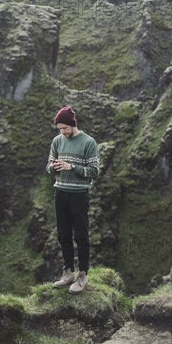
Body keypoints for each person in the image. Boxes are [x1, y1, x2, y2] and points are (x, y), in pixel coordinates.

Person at [46, 106, 100, 294]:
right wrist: (54, 167)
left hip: (79, 194)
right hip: (60, 192)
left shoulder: (88, 142)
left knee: (81, 236)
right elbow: (48, 167)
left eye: (65, 128)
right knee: (63, 234)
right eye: (60, 129)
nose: (62, 132)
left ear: (72, 125)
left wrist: (71, 167)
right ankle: (68, 272)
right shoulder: (57, 141)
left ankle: (83, 274)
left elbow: (94, 172)